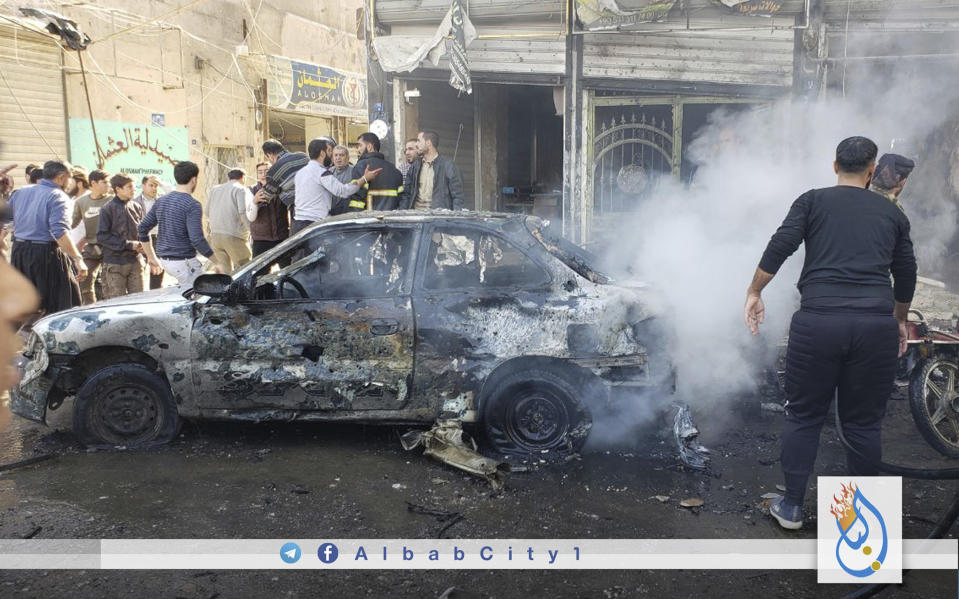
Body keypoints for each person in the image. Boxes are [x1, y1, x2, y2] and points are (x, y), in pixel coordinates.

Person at [744, 136, 917, 530]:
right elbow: (906, 273)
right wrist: (899, 320)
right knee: (863, 423)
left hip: (818, 323)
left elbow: (780, 245)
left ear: (834, 165)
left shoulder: (812, 200)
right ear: (872, 171)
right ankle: (859, 527)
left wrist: (755, 291)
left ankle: (790, 508)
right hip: (874, 326)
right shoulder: (892, 214)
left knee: (804, 416)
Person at [8, 161, 86, 315]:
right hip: (45, 255)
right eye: (70, 178)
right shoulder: (58, 196)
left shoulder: (20, 192)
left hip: (19, 253)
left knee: (26, 306)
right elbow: (59, 233)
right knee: (61, 305)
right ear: (61, 177)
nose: (71, 183)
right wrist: (78, 259)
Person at [137, 161, 220, 286]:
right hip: (183, 263)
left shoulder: (161, 201)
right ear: (194, 180)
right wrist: (217, 262)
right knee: (203, 296)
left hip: (166, 261)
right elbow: (197, 240)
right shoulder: (192, 204)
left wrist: (152, 257)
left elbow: (142, 228)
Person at [290, 138, 382, 234]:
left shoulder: (300, 172)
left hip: (298, 224)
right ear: (322, 153)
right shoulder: (322, 173)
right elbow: (342, 191)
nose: (333, 156)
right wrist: (365, 178)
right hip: (313, 224)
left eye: (341, 155)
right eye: (330, 151)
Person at [97, 173, 145, 299]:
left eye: (133, 186)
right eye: (129, 187)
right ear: (118, 189)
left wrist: (142, 246)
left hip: (135, 262)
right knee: (116, 303)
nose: (133, 190)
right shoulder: (107, 209)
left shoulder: (136, 206)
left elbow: (142, 231)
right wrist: (129, 244)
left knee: (139, 301)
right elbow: (102, 236)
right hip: (115, 263)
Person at [337, 132, 405, 214]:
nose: (358, 150)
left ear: (369, 147)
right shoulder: (395, 170)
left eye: (360, 145)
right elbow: (402, 200)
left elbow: (357, 200)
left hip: (369, 222)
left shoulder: (361, 167)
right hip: (390, 221)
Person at [72, 169, 112, 304]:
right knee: (84, 282)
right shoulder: (81, 202)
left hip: (110, 247)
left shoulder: (112, 200)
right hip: (91, 248)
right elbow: (71, 223)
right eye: (104, 182)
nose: (108, 185)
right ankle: (91, 311)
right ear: (93, 183)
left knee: (110, 285)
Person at [403, 130, 465, 211]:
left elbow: (458, 196)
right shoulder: (415, 166)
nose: (416, 144)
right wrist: (403, 212)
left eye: (418, 141)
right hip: (416, 215)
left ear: (428, 143)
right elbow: (406, 194)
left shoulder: (449, 166)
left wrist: (455, 217)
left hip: (438, 217)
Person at [207, 168, 254, 272]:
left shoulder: (214, 189)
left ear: (229, 178)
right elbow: (242, 212)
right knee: (244, 269)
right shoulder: (240, 189)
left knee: (225, 273)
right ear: (243, 177)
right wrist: (252, 230)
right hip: (234, 236)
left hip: (215, 236)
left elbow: (207, 212)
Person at [256, 139, 309, 214]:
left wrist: (265, 186)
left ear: (269, 155)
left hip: (299, 209)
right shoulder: (303, 156)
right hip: (317, 201)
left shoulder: (273, 171)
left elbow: (266, 196)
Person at [133, 176, 164, 289]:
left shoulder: (161, 200)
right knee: (139, 268)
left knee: (157, 270)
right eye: (151, 185)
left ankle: (155, 293)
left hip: (159, 238)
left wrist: (162, 183)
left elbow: (174, 193)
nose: (154, 188)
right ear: (143, 186)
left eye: (156, 186)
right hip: (142, 239)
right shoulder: (135, 202)